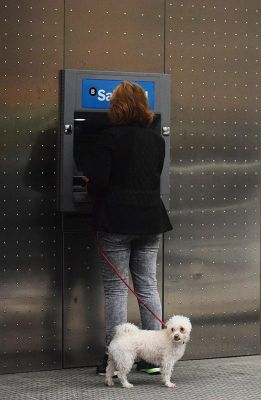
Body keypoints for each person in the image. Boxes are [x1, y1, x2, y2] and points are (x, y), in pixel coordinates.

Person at [84, 81, 173, 376]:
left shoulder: (108, 137)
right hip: (149, 220)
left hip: (116, 220)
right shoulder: (156, 140)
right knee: (147, 285)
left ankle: (115, 358)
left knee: (116, 289)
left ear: (116, 106)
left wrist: (88, 185)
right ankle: (154, 358)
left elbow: (100, 181)